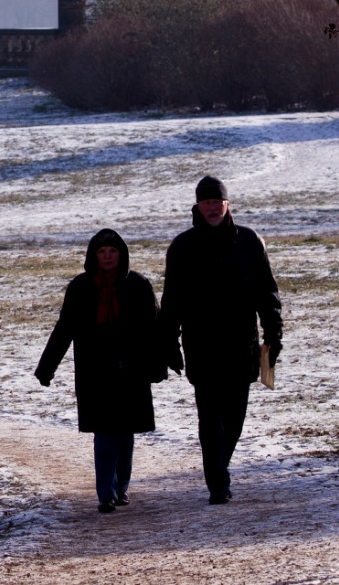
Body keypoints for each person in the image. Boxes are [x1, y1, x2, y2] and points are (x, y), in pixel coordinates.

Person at [161, 175, 282, 505]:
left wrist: (273, 333)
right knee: (209, 418)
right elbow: (171, 300)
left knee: (235, 417)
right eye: (206, 202)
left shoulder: (250, 242)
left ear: (227, 205)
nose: (212, 208)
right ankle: (218, 482)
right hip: (200, 345)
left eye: (217, 202)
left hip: (242, 343)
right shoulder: (183, 247)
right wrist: (169, 341)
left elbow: (266, 292)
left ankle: (218, 466)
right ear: (197, 206)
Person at [34, 228, 167, 513]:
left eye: (113, 252)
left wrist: (162, 362)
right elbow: (64, 329)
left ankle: (121, 488)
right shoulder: (81, 287)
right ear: (93, 256)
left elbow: (154, 329)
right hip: (96, 373)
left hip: (132, 371)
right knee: (106, 433)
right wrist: (47, 367)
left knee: (125, 433)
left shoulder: (138, 285)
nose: (108, 257)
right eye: (102, 252)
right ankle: (106, 493)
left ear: (122, 255)